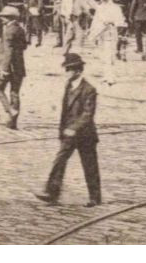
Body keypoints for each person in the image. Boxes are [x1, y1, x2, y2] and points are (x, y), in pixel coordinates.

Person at [36, 52, 101, 207]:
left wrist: (73, 128)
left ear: (78, 71)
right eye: (66, 69)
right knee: (60, 160)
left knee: (90, 166)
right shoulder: (69, 86)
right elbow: (65, 111)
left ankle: (95, 197)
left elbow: (88, 114)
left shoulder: (89, 89)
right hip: (69, 134)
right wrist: (63, 130)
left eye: (69, 69)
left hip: (85, 135)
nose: (67, 72)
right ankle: (51, 192)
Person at [0, 4, 27, 129]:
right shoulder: (20, 29)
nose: (2, 19)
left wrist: (4, 68)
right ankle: (13, 123)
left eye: (4, 17)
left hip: (9, 67)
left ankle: (10, 110)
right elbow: (24, 46)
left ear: (10, 17)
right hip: (19, 66)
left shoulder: (9, 31)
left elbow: (8, 51)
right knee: (15, 92)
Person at [88, 0, 123, 82]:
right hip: (100, 34)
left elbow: (120, 21)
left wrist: (111, 22)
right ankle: (106, 75)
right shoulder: (99, 8)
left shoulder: (115, 8)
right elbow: (95, 21)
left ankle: (111, 76)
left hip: (110, 33)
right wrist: (92, 33)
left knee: (110, 55)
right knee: (102, 55)